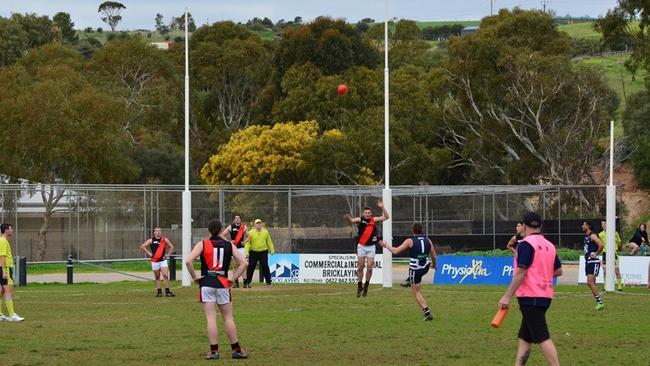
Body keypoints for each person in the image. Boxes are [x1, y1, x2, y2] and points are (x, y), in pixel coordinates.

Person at [498, 212, 562, 366]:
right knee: (525, 337)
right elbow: (558, 271)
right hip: (545, 296)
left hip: (530, 296)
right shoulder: (549, 245)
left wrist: (506, 296)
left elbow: (521, 271)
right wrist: (541, 272)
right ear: (540, 226)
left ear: (525, 226)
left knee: (542, 336)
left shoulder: (526, 244)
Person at [185, 219, 248, 360]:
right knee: (228, 318)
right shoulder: (229, 245)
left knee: (211, 318)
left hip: (207, 283)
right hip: (223, 284)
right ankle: (236, 349)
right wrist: (233, 278)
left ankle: (214, 352)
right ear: (221, 230)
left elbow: (188, 261)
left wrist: (195, 277)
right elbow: (244, 263)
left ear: (209, 231)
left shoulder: (203, 244)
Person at [380, 223, 437, 321]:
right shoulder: (428, 240)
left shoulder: (410, 241)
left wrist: (386, 245)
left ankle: (426, 312)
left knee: (416, 291)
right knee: (415, 278)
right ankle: (409, 280)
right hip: (425, 267)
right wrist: (434, 265)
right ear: (421, 230)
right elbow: (434, 256)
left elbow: (396, 251)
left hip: (416, 269)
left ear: (413, 230)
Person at [344, 201, 390, 297]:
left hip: (371, 247)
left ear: (371, 214)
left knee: (369, 268)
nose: (367, 214)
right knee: (360, 267)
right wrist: (348, 217)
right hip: (361, 246)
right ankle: (359, 286)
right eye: (366, 213)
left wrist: (382, 207)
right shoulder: (360, 220)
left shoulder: (374, 220)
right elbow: (352, 221)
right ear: (363, 213)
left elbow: (386, 217)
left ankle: (366, 286)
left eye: (369, 213)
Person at [140, 226, 175, 297]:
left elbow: (171, 247)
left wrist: (168, 254)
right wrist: (149, 253)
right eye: (157, 231)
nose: (158, 232)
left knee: (165, 276)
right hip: (154, 261)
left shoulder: (164, 240)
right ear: (154, 232)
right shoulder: (151, 240)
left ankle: (168, 292)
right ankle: (159, 292)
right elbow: (142, 246)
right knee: (157, 277)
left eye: (160, 231)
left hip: (163, 261)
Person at [0, 223, 23, 322]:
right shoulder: (3, 241)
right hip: (5, 269)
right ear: (6, 230)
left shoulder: (2, 241)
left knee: (1, 291)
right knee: (9, 291)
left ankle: (0, 315)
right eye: (11, 229)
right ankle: (12, 315)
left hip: (3, 268)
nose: (12, 231)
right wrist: (5, 272)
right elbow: (2, 257)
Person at [243, 219, 275, 288]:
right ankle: (247, 283)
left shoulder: (265, 232)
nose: (259, 225)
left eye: (260, 223)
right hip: (253, 252)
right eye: (257, 223)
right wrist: (246, 252)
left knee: (265, 266)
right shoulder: (250, 233)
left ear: (262, 224)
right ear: (254, 225)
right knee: (251, 267)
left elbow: (269, 242)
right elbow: (248, 243)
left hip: (263, 252)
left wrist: (272, 249)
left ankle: (268, 282)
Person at [220, 215, 248, 288]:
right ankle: (235, 282)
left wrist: (244, 241)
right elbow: (222, 235)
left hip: (241, 248)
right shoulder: (230, 227)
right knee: (235, 265)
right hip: (233, 248)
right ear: (234, 220)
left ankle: (245, 283)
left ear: (240, 219)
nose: (237, 219)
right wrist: (229, 242)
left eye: (239, 218)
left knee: (243, 265)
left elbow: (249, 236)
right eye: (236, 218)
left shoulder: (243, 227)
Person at [582, 221, 605, 310]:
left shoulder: (592, 235)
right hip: (588, 261)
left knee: (590, 282)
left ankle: (600, 302)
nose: (582, 226)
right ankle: (599, 302)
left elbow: (601, 245)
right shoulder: (587, 236)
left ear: (588, 226)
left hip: (593, 261)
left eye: (584, 224)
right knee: (591, 283)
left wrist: (596, 253)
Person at [598, 219, 623, 291]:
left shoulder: (614, 233)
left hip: (614, 253)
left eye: (604, 224)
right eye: (602, 224)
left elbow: (619, 242)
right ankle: (605, 286)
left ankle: (619, 286)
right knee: (605, 271)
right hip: (605, 253)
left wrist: (616, 248)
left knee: (616, 270)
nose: (603, 225)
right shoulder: (600, 234)